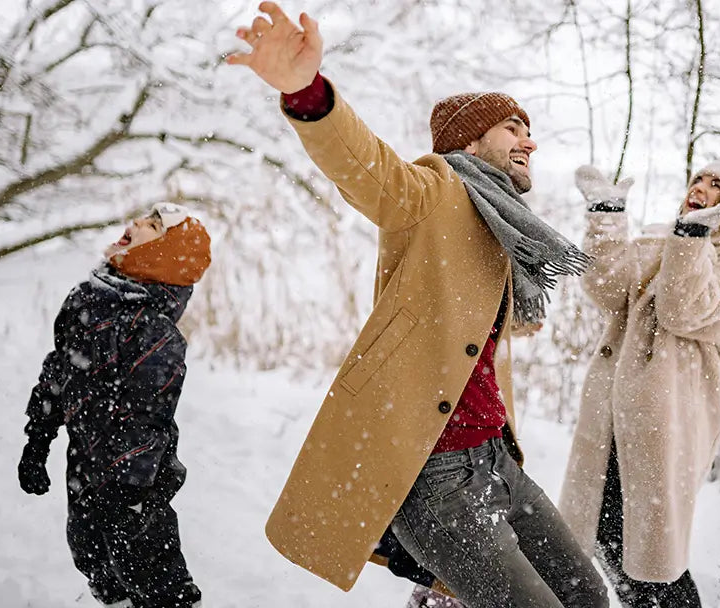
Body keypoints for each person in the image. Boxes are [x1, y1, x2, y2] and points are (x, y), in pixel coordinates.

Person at [226, 4, 608, 607]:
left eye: (527, 129)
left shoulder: (506, 226)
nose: (529, 140)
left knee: (587, 594)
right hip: (435, 475)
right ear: (470, 139)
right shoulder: (434, 192)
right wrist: (308, 93)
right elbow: (367, 168)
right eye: (512, 127)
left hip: (496, 461)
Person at [559, 162, 720, 607]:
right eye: (699, 180)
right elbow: (607, 288)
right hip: (612, 415)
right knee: (601, 533)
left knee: (654, 557)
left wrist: (691, 240)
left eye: (717, 187)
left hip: (667, 419)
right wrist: (606, 216)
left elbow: (680, 310)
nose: (702, 189)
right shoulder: (660, 237)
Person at [17, 203, 211, 608]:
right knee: (91, 555)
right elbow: (61, 370)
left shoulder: (155, 333)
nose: (137, 222)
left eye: (154, 226)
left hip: (134, 481)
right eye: (145, 217)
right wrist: (38, 438)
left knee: (151, 570)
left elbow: (147, 417)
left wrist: (128, 490)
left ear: (162, 255)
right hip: (86, 463)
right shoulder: (88, 300)